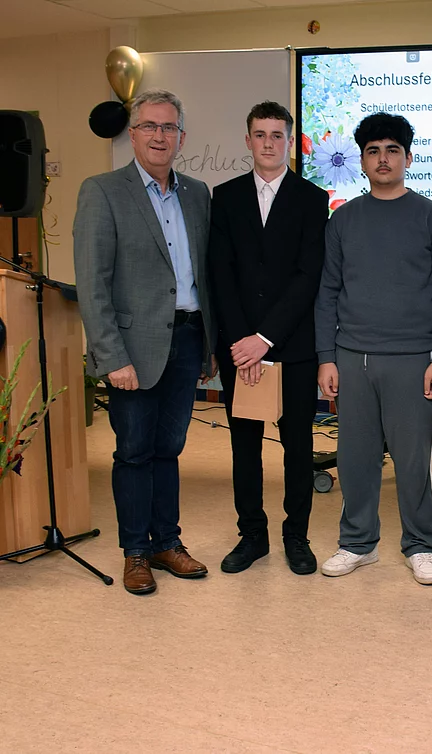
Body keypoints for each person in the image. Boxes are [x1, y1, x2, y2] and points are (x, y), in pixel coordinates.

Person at [74, 89, 216, 595]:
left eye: (169, 128)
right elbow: (92, 284)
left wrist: (208, 347)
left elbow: (206, 276)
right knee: (134, 452)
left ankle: (166, 543)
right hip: (132, 348)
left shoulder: (198, 193)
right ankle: (135, 551)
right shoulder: (103, 191)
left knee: (169, 449)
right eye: (150, 127)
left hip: (187, 338)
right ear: (132, 134)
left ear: (181, 137)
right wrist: (111, 355)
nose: (160, 136)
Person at [315, 113, 432, 586]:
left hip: (414, 361)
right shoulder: (344, 219)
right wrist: (327, 357)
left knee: (413, 459)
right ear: (361, 160)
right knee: (355, 457)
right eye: (373, 151)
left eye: (392, 150)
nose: (383, 158)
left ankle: (420, 545)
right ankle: (358, 543)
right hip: (353, 358)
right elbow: (327, 293)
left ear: (408, 158)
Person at [209, 101, 328, 576]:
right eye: (260, 135)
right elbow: (222, 272)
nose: (268, 143)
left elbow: (308, 275)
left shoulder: (311, 198)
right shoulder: (226, 196)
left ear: (289, 140)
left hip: (291, 346)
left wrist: (265, 337)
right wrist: (243, 342)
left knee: (297, 445)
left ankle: (295, 535)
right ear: (248, 140)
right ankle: (252, 535)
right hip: (240, 349)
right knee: (244, 447)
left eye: (278, 135)